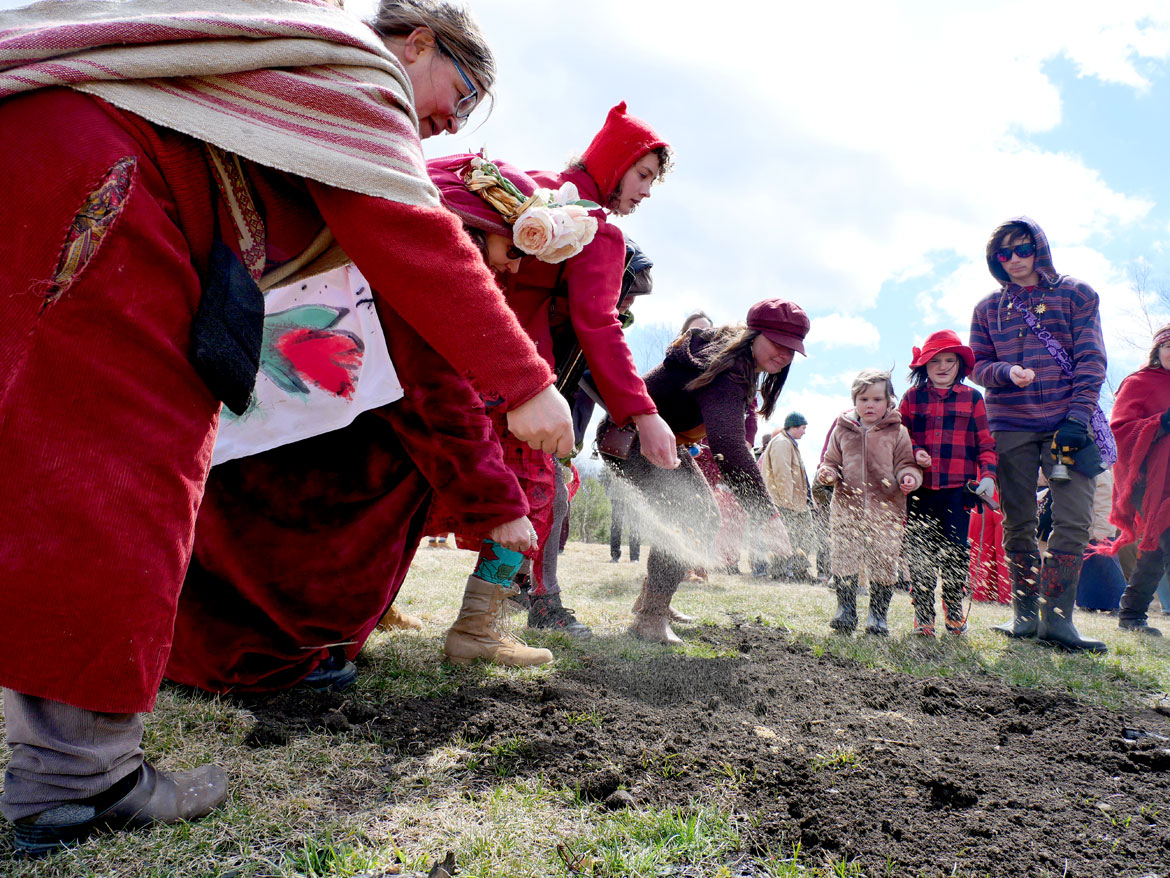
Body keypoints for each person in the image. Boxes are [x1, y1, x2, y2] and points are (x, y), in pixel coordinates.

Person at [0, 0, 574, 855]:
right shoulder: (352, 71)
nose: (455, 116)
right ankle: (74, 780)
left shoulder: (273, 67)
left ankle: (69, 760)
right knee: (122, 471)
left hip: (58, 165)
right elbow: (412, 241)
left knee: (55, 457)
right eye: (462, 87)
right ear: (416, 42)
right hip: (106, 182)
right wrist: (527, 382)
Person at [496, 101, 682, 637]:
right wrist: (644, 415)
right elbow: (597, 324)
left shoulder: (533, 188)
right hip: (521, 375)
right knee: (542, 483)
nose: (646, 191)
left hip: (466, 352)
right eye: (642, 174)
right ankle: (533, 604)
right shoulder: (597, 229)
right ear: (615, 160)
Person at [602, 299, 808, 643]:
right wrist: (766, 516)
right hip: (631, 438)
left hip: (663, 442)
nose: (784, 354)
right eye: (777, 343)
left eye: (792, 349)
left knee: (700, 517)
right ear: (754, 334)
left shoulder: (737, 361)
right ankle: (650, 617)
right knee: (693, 515)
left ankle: (653, 603)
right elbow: (728, 444)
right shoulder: (729, 369)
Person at [970, 216, 1110, 653]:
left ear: (1040, 248)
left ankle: (1058, 620)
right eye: (1003, 254)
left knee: (1072, 520)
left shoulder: (1077, 293)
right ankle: (1025, 616)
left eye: (1021, 250)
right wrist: (1005, 372)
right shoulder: (987, 308)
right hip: (1010, 427)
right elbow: (976, 365)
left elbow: (1091, 360)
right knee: (1018, 522)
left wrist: (1076, 418)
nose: (1013, 260)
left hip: (1066, 427)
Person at [898, 330, 997, 636]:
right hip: (920, 491)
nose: (942, 366)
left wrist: (989, 476)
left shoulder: (973, 398)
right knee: (920, 551)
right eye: (935, 361)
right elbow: (900, 438)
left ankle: (953, 608)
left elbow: (985, 443)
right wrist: (916, 452)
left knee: (956, 551)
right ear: (923, 366)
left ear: (959, 365)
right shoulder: (912, 399)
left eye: (949, 361)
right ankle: (923, 613)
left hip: (958, 491)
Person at [817, 370, 922, 636]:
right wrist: (827, 473)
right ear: (855, 401)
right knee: (844, 557)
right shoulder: (843, 429)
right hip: (846, 508)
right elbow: (831, 461)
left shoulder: (897, 432)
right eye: (863, 399)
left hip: (886, 509)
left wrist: (908, 477)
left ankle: (877, 615)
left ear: (889, 401)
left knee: (883, 561)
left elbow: (906, 463)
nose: (870, 404)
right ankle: (846, 609)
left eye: (877, 399)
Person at [1103, 324, 1170, 635]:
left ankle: (1131, 615)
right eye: (1169, 346)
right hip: (1151, 481)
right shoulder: (1139, 382)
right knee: (1159, 544)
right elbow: (1119, 430)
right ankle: (1131, 616)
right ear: (1157, 351)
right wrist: (1161, 423)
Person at [760, 412, 815, 581]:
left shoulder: (789, 443)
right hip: (786, 502)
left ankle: (800, 571)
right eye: (803, 428)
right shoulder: (782, 443)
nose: (804, 432)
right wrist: (786, 501)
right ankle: (779, 573)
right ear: (794, 426)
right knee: (784, 537)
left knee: (803, 536)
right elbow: (781, 473)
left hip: (796, 502)